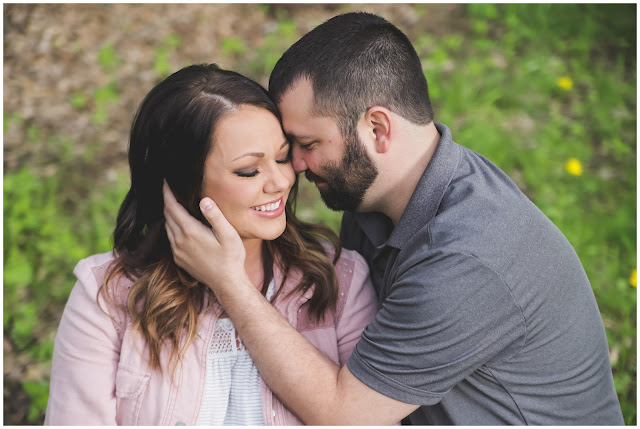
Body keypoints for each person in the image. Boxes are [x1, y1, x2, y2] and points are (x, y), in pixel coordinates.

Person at [162, 12, 625, 425]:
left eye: (308, 144)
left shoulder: (467, 257)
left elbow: (343, 415)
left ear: (378, 128)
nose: (295, 168)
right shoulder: (374, 201)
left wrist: (229, 283)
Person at [44, 63, 378, 425]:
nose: (280, 181)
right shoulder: (106, 296)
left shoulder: (340, 281)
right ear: (182, 185)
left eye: (282, 157)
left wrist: (229, 283)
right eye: (249, 170)